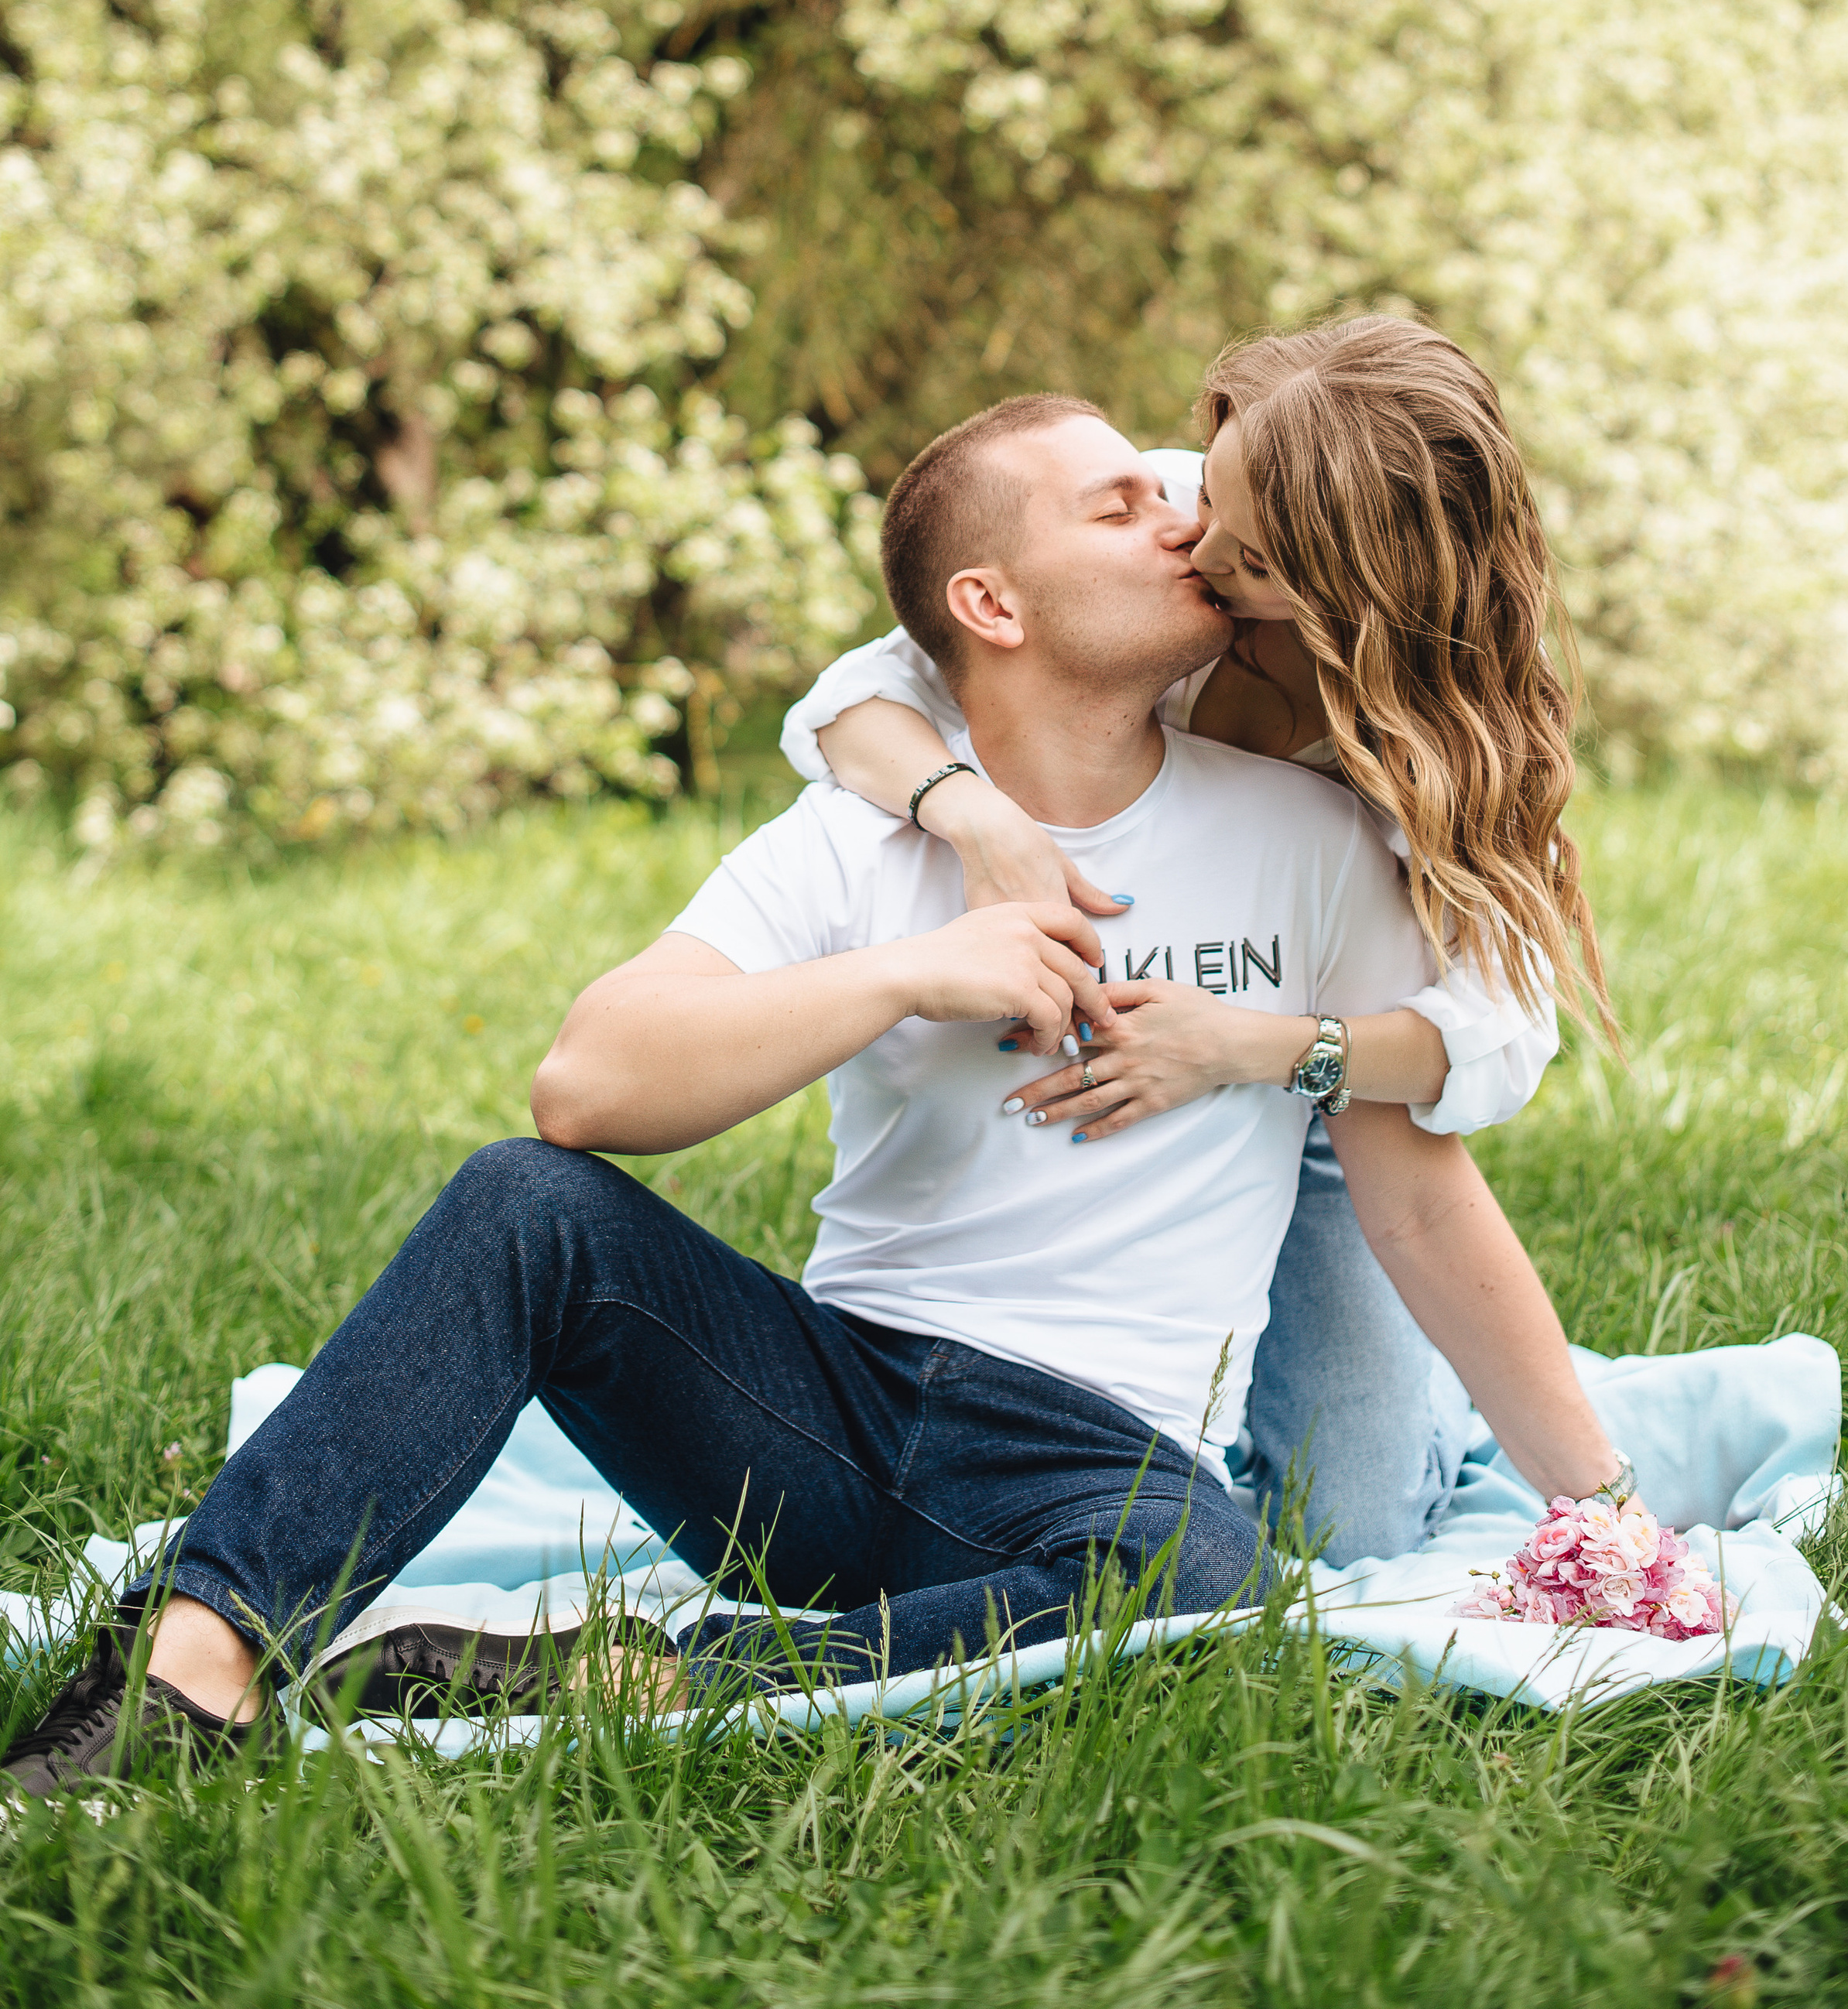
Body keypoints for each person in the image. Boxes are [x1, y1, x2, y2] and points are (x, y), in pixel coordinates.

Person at [5, 395, 1634, 1802]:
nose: (1183, 521)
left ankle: (646, 1672)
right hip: (823, 1414)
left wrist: (1606, 1512)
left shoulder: (1315, 841)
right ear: (991, 603)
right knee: (523, 1203)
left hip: (1098, 1461)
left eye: (1177, 500)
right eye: (1119, 505)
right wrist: (912, 973)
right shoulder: (861, 833)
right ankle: (187, 1671)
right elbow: (586, 1085)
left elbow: (1419, 1196)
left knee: (1209, 1573)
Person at [782, 317, 1610, 1557]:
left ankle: (1463, 1406)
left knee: (1353, 1528)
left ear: (1355, 592)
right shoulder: (1183, 512)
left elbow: (1487, 1046)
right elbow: (859, 695)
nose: (1198, 548)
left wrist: (1249, 1048)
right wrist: (976, 815)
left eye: (1253, 558)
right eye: (1210, 496)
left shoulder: (1433, 733)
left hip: (1307, 1069)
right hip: (1090, 1052)